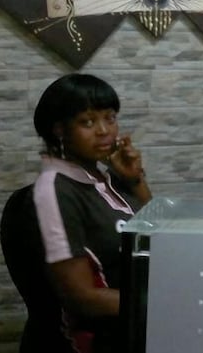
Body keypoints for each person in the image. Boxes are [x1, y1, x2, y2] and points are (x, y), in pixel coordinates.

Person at [22, 73, 152, 353]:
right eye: (88, 122)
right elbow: (81, 297)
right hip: (107, 335)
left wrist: (134, 179)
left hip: (140, 315)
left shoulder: (102, 177)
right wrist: (163, 302)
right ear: (60, 129)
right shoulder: (55, 189)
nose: (104, 130)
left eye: (110, 118)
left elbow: (155, 230)